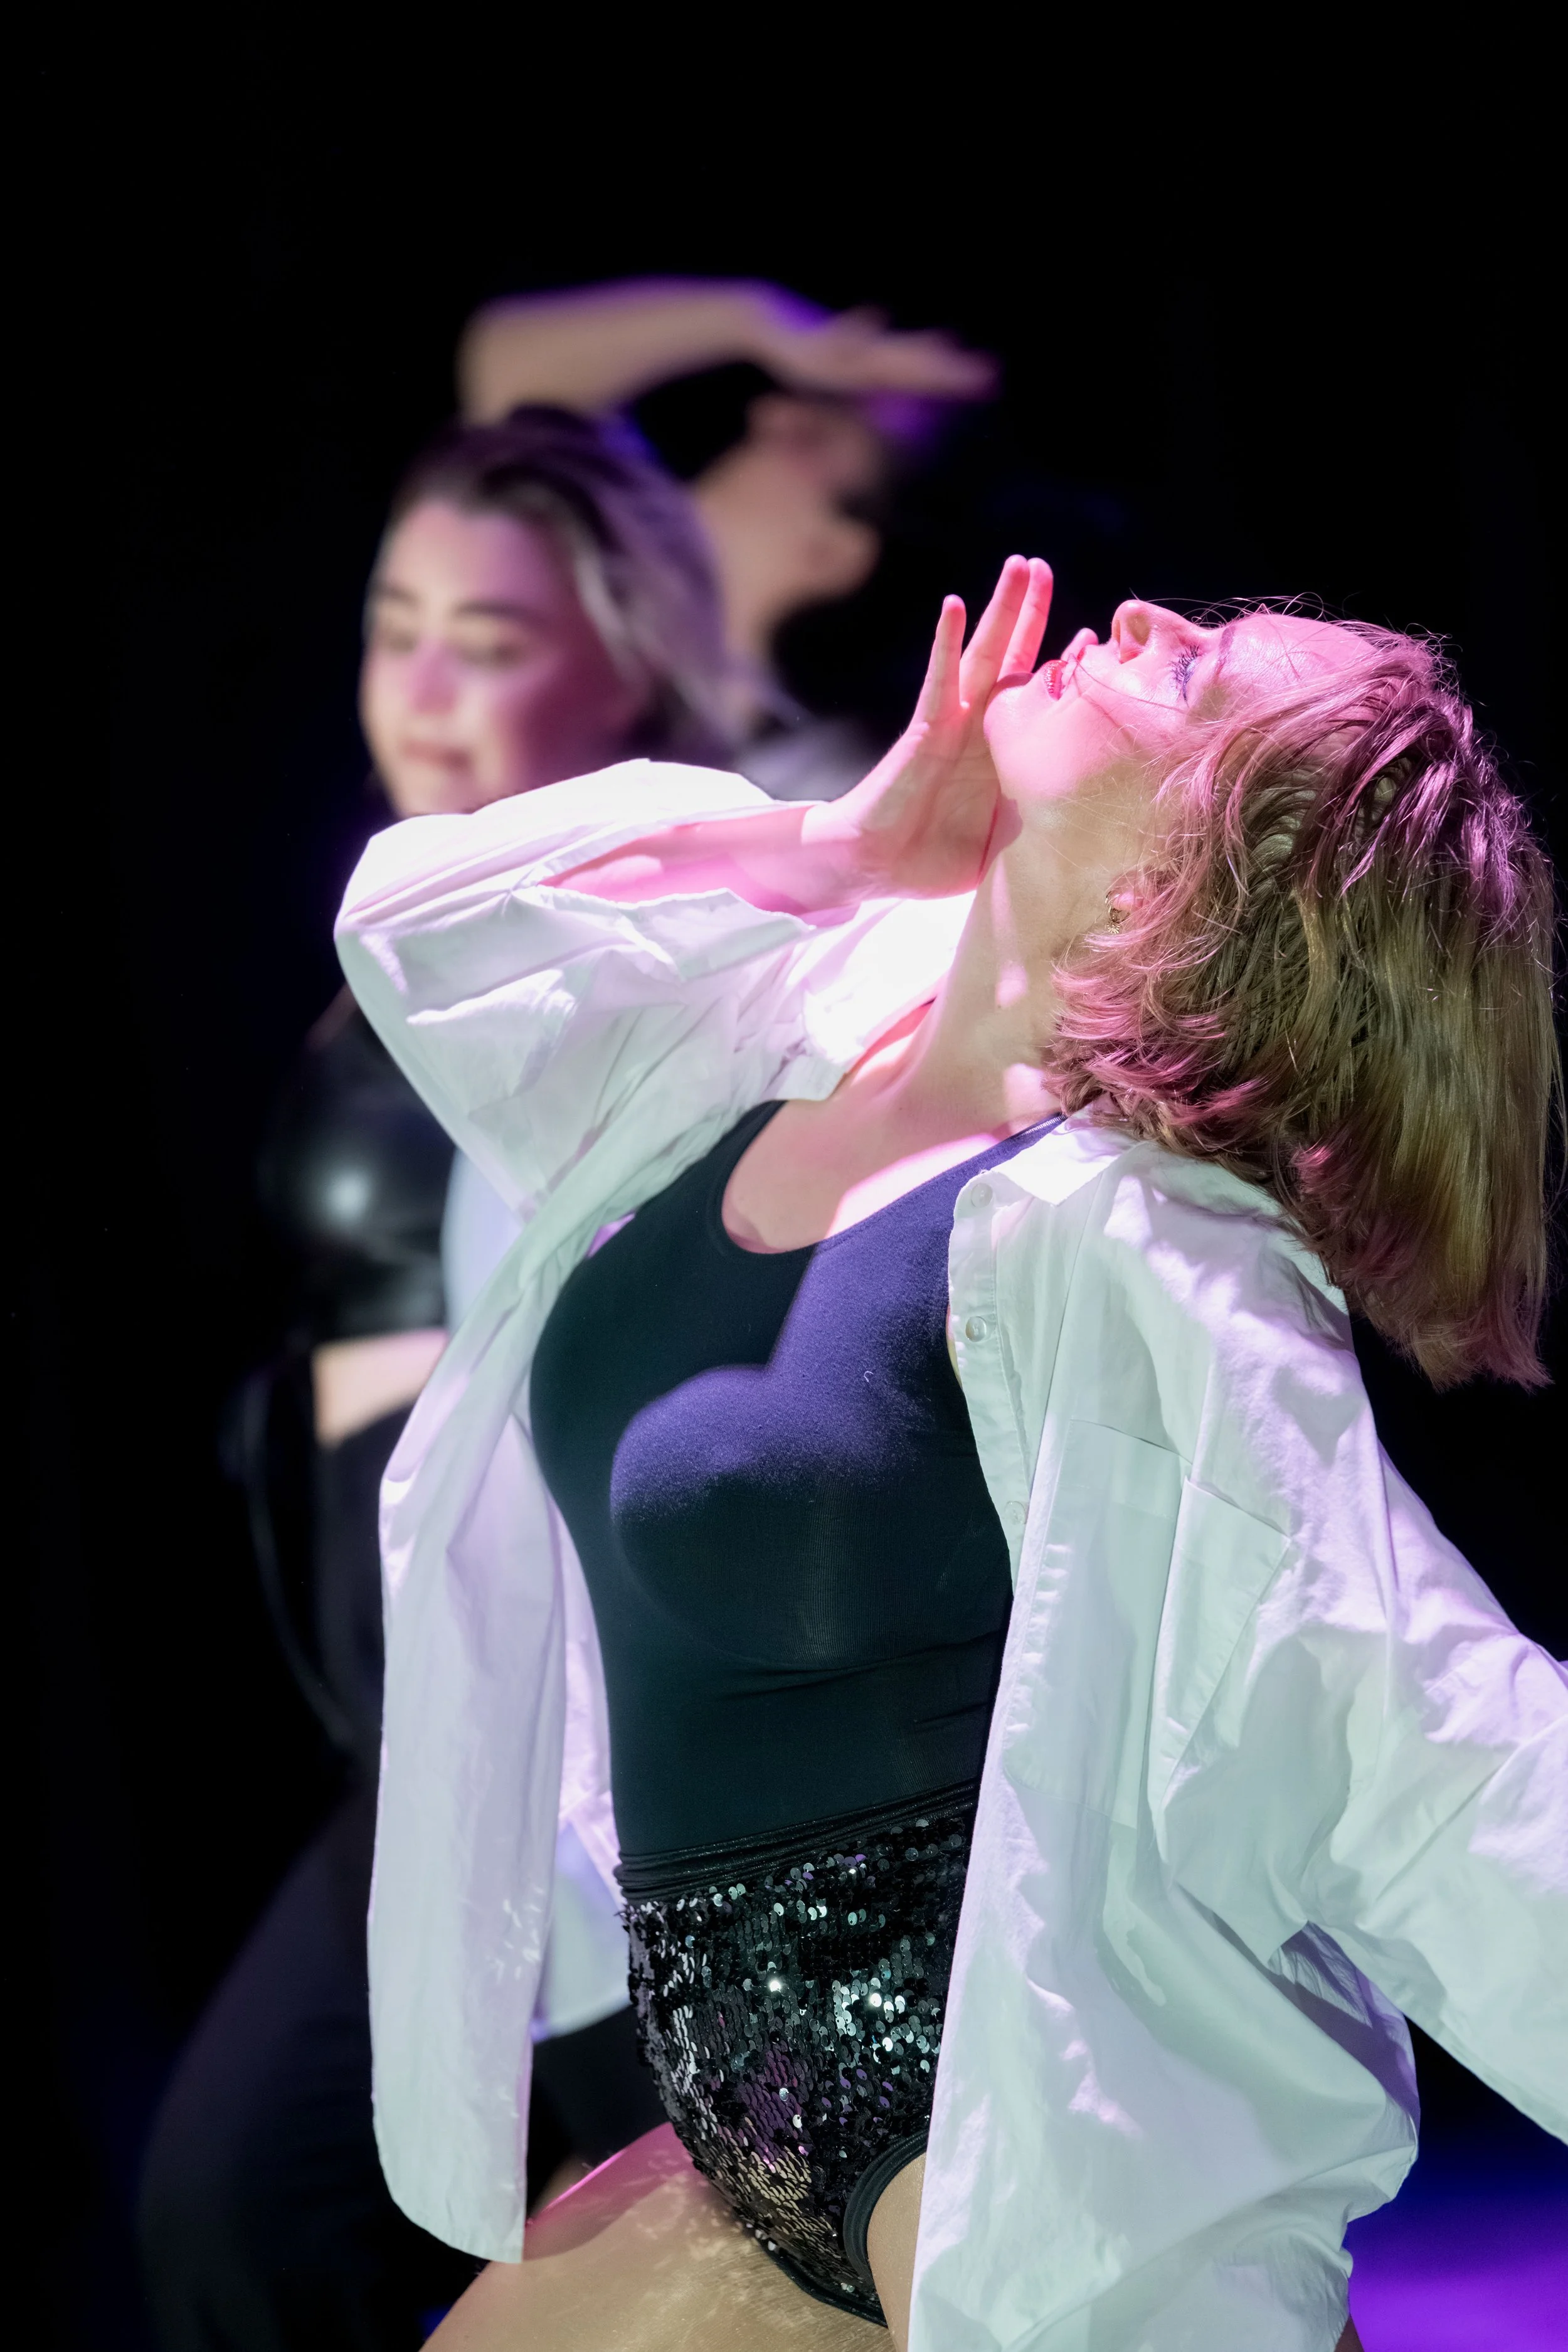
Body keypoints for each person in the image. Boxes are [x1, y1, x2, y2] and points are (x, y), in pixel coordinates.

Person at [335, 553, 1567, 2349]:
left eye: (1198, 672)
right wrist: (834, 847)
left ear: (1205, 867)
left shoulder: (1143, 1238)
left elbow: (1415, 1726)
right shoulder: (785, 1018)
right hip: (742, 2138)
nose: (1146, 621)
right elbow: (414, 930)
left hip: (1004, 2148)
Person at [137, 405, 733, 2352]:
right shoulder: (407, 914)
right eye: (394, 628)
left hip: (571, 1720)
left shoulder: (640, 928)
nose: (421, 686)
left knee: (683, 2246)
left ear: (625, 658)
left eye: (487, 641)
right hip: (402, 1724)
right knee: (249, 2213)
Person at [457, 277, 997, 796]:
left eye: (812, 437)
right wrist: (749, 319)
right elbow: (502, 385)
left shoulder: (808, 789)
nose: (770, 414)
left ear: (835, 554)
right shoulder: (595, 586)